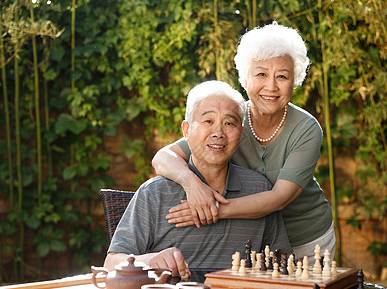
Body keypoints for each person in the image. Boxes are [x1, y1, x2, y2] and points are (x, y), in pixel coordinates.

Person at [152, 22, 335, 263]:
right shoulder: (229, 122)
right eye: (261, 74)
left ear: (294, 81)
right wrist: (192, 184)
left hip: (307, 240)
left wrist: (213, 210)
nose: (271, 86)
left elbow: (279, 198)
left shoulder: (307, 129)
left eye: (282, 76)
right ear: (245, 79)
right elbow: (163, 157)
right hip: (253, 239)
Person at [104, 80, 291, 277]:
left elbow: (282, 259)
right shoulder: (155, 193)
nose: (218, 133)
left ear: (241, 133)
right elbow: (111, 263)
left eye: (229, 123)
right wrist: (150, 260)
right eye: (208, 121)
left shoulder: (259, 188)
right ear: (186, 130)